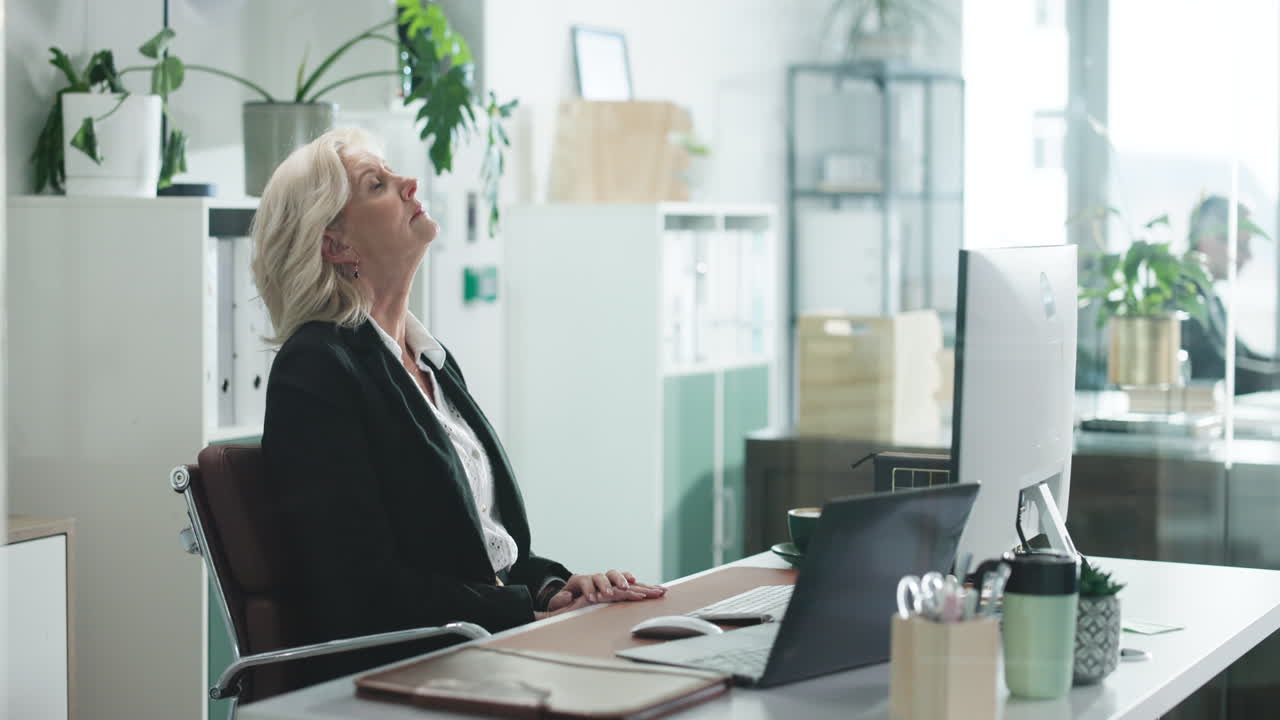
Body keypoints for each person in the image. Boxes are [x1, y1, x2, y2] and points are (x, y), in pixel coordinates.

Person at [251, 128, 665, 684]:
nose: (409, 183)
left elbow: (482, 554)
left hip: (479, 652)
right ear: (337, 245)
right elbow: (360, 586)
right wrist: (526, 611)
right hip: (407, 676)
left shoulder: (432, 362)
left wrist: (556, 587)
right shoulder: (318, 367)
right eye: (378, 183)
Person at [1182, 194, 1280, 394]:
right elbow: (1214, 370)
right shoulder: (1184, 296)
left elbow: (1242, 355)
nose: (1249, 256)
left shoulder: (1209, 297)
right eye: (1241, 245)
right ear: (1206, 240)